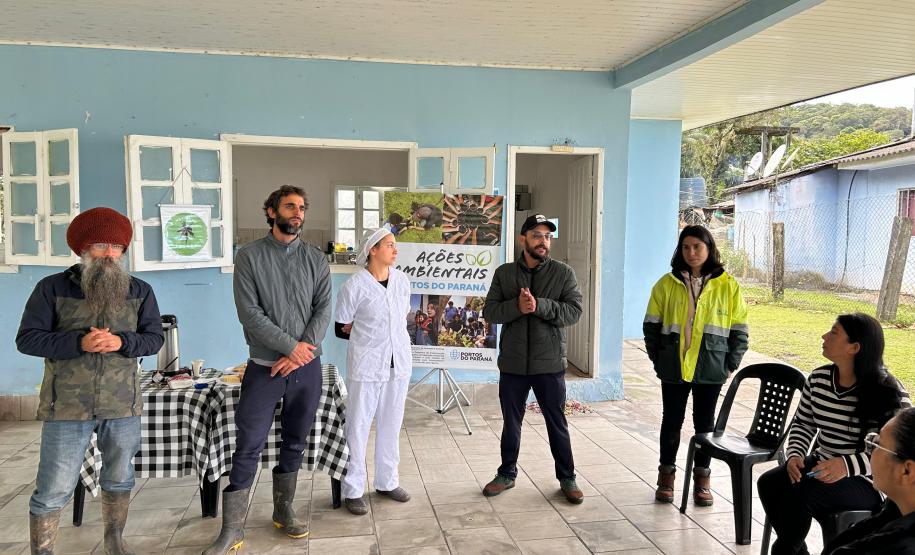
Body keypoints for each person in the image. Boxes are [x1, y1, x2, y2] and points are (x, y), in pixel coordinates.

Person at [16, 207, 165, 555]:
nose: (110, 253)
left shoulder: (140, 290)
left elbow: (154, 338)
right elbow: (27, 339)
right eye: (101, 244)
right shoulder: (51, 288)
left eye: (117, 246)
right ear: (83, 249)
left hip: (122, 403)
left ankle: (114, 539)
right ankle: (44, 550)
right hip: (66, 405)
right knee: (54, 486)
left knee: (120, 476)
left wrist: (122, 342)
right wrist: (78, 342)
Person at [204, 185, 331, 554]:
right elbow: (250, 314)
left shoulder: (315, 259)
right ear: (271, 211)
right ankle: (232, 529)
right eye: (290, 206)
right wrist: (291, 347)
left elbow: (323, 309)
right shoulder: (249, 258)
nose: (298, 213)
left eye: (302, 208)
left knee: (295, 439)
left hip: (307, 369)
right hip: (264, 368)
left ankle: (283, 510)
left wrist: (299, 354)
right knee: (249, 445)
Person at [757, 312, 910, 554]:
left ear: (854, 347)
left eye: (834, 332)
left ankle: (788, 549)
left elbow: (900, 450)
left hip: (867, 480)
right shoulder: (818, 379)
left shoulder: (888, 390)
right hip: (820, 464)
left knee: (797, 494)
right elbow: (803, 423)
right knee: (770, 482)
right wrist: (795, 455)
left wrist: (846, 466)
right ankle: (794, 549)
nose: (824, 336)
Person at [481, 214, 584, 504]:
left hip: (549, 363)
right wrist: (517, 306)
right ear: (522, 238)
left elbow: (573, 312)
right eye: (537, 235)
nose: (543, 241)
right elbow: (490, 312)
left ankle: (567, 477)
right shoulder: (504, 273)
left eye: (547, 236)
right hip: (513, 364)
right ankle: (506, 474)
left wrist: (539, 306)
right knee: (511, 421)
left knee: (556, 422)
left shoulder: (563, 274)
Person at [643, 224, 748, 506]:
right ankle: (666, 477)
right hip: (674, 369)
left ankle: (702, 480)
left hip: (710, 369)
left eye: (697, 247)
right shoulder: (666, 284)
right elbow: (651, 326)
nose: (692, 252)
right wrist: (658, 358)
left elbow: (739, 331)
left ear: (709, 248)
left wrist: (730, 365)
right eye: (686, 247)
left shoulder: (729, 286)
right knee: (671, 422)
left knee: (705, 426)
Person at [334, 228, 412, 515]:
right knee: (358, 427)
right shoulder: (354, 286)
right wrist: (362, 332)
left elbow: (399, 321)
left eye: (395, 245)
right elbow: (339, 328)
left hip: (398, 363)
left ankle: (387, 481)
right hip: (366, 366)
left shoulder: (402, 281)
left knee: (391, 424)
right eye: (390, 245)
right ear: (373, 250)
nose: (395, 250)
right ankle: (353, 489)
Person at [824, 407, 915, 554]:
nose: (870, 451)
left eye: (878, 444)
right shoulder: (892, 516)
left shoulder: (896, 547)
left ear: (907, 471)